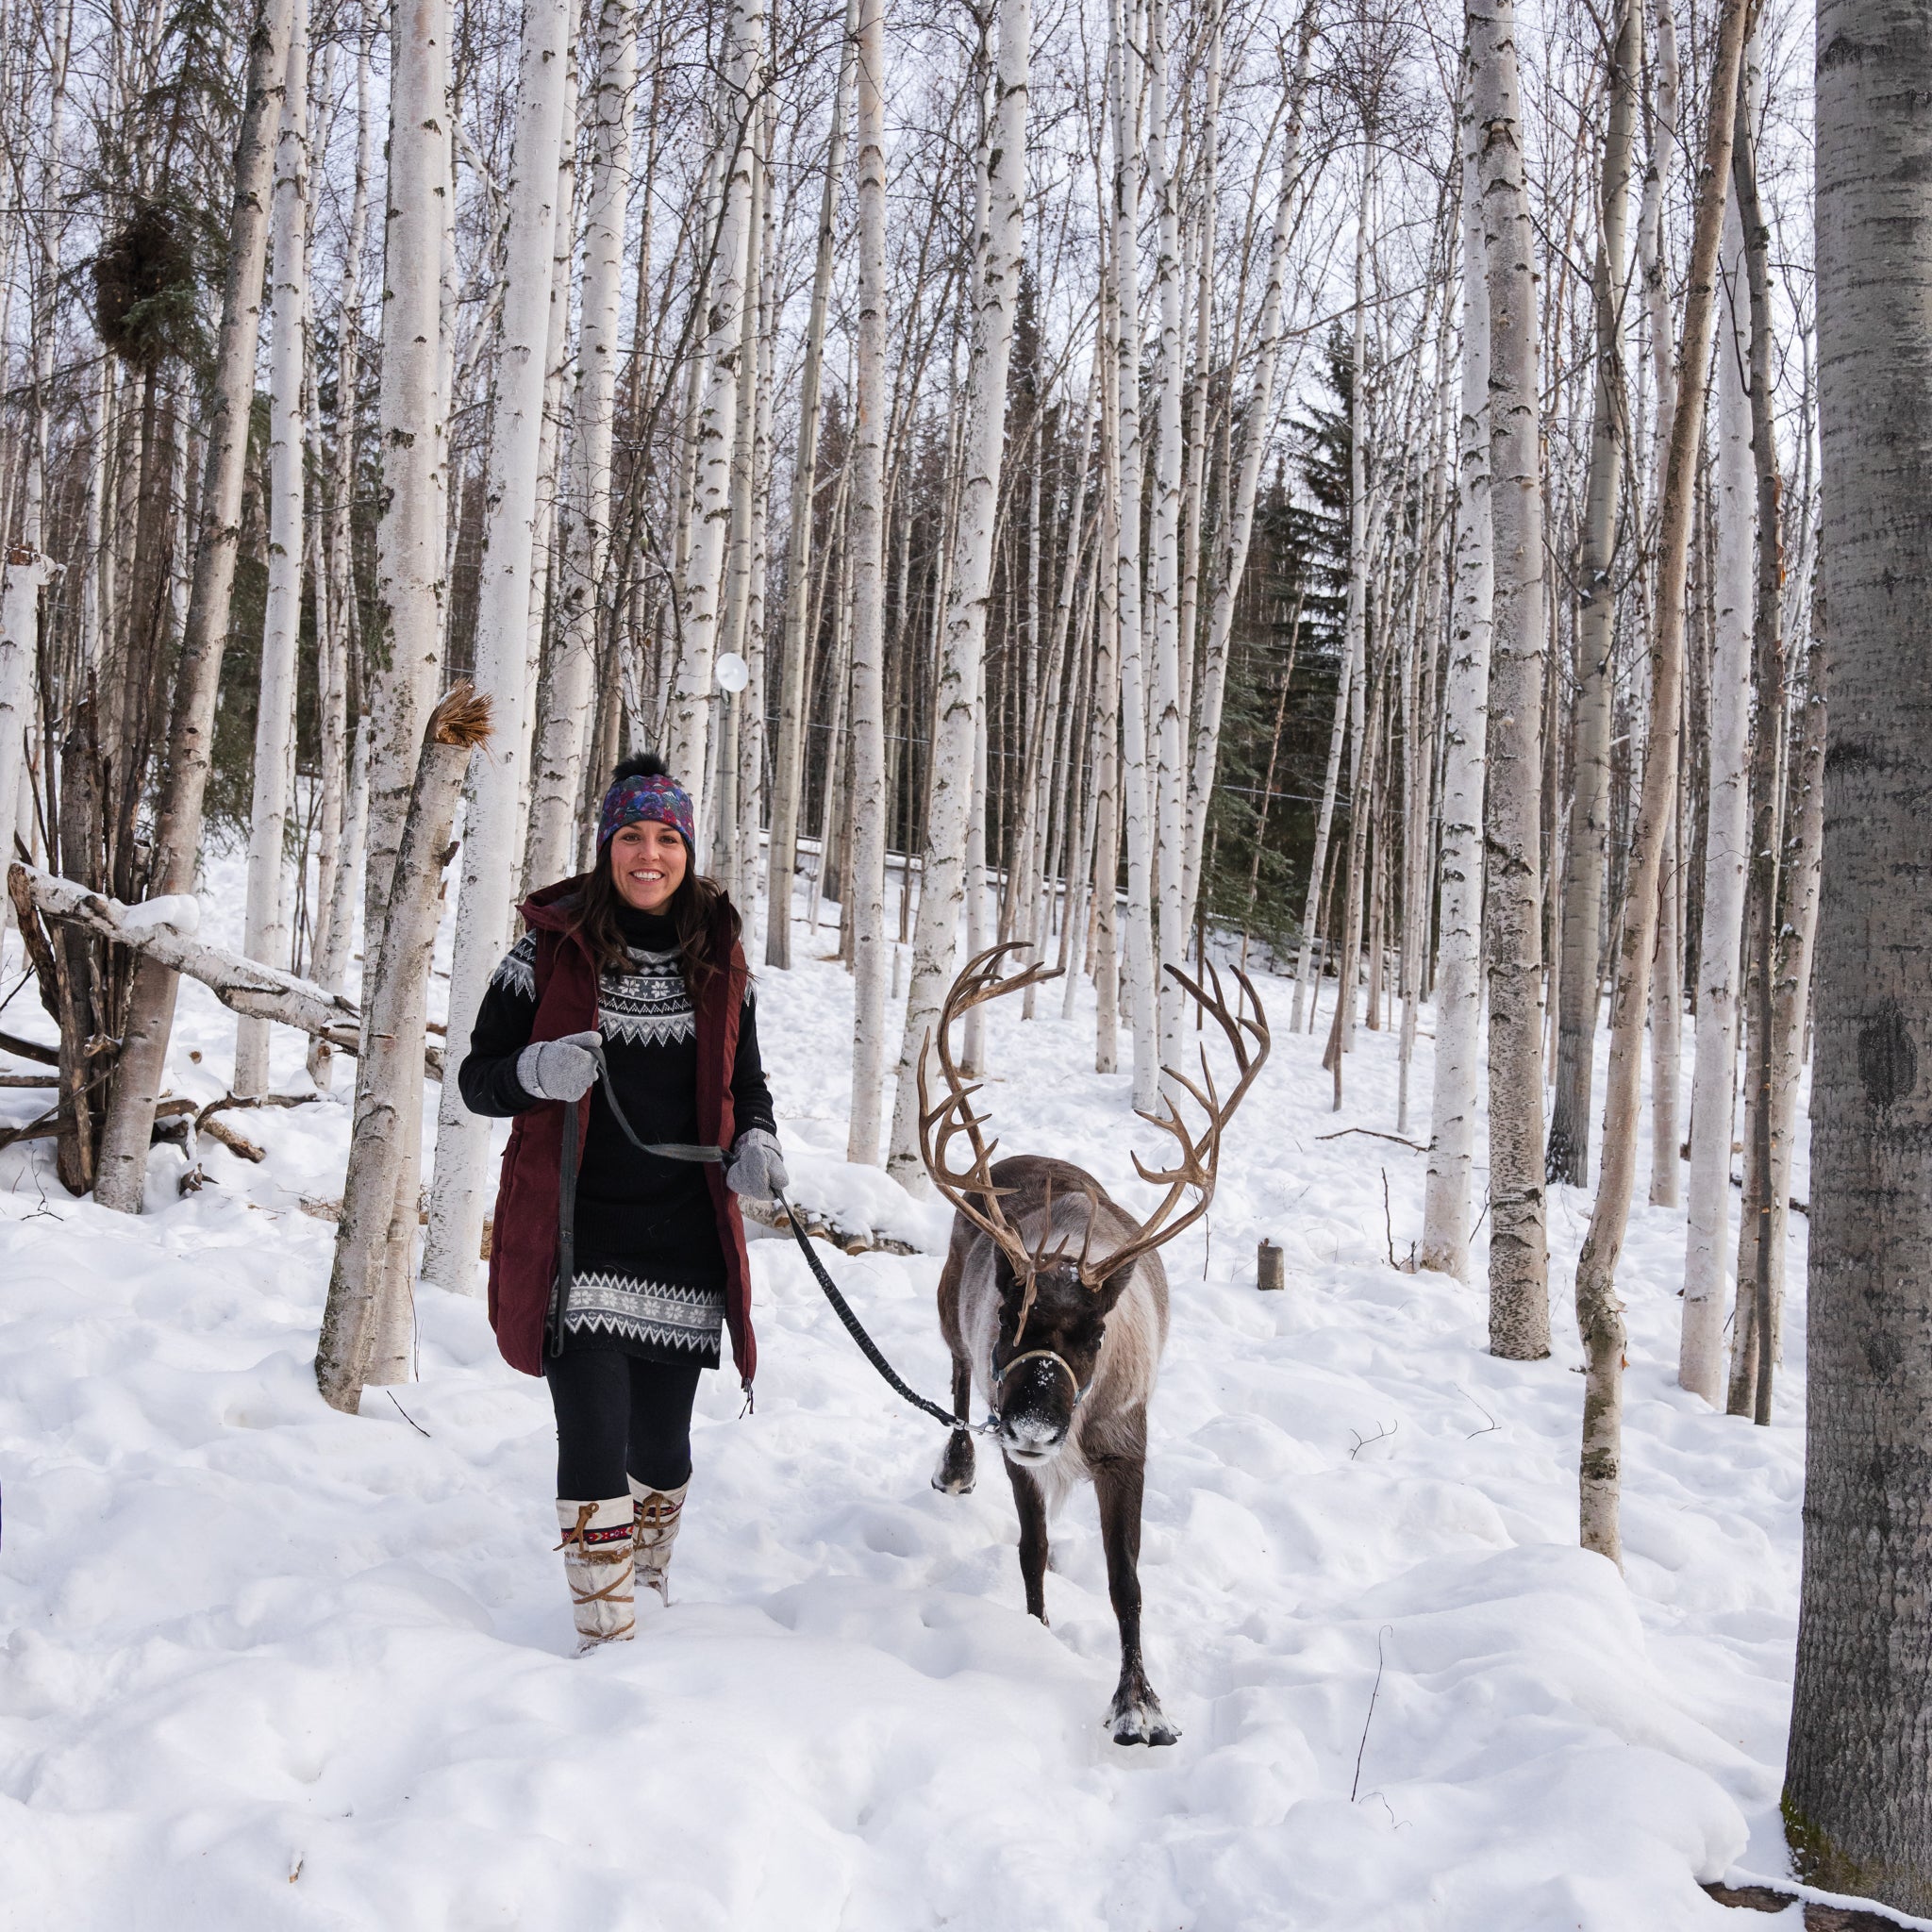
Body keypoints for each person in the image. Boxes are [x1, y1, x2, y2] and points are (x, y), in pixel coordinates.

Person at [458, 753, 788, 1651]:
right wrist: (534, 1070)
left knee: (662, 1456)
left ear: (688, 849)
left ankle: (645, 1590)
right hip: (579, 1237)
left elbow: (745, 1085)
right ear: (608, 847)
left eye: (666, 837)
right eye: (632, 836)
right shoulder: (549, 947)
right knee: (595, 1446)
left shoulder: (719, 954)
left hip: (684, 1241)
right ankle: (608, 1641)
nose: (649, 854)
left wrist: (756, 1140)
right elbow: (476, 1080)